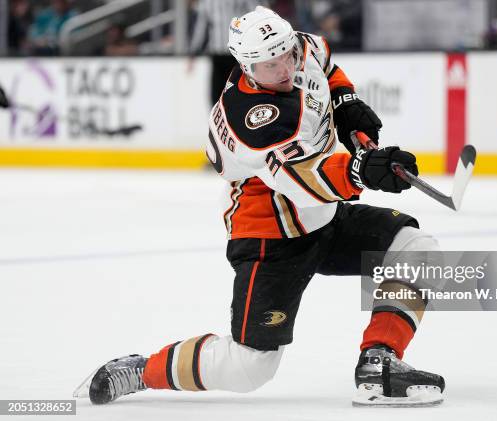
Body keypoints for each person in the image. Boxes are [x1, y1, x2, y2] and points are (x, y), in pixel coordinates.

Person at [74, 6, 445, 407]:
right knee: (250, 366)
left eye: (286, 54)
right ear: (246, 66)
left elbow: (323, 60)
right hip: (271, 237)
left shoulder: (297, 50)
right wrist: (361, 170)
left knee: (416, 248)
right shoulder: (251, 118)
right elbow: (305, 179)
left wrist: (346, 102)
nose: (285, 68)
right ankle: (140, 370)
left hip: (324, 219)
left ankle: (379, 362)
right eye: (270, 64)